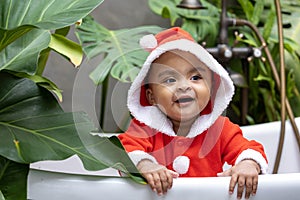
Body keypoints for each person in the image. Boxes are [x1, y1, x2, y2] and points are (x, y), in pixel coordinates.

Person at [118, 27, 268, 199]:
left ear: (212, 87)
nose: (184, 86)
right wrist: (145, 165)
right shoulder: (145, 128)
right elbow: (125, 152)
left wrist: (248, 164)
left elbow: (248, 149)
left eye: (195, 77)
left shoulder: (220, 129)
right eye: (170, 80)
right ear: (151, 97)